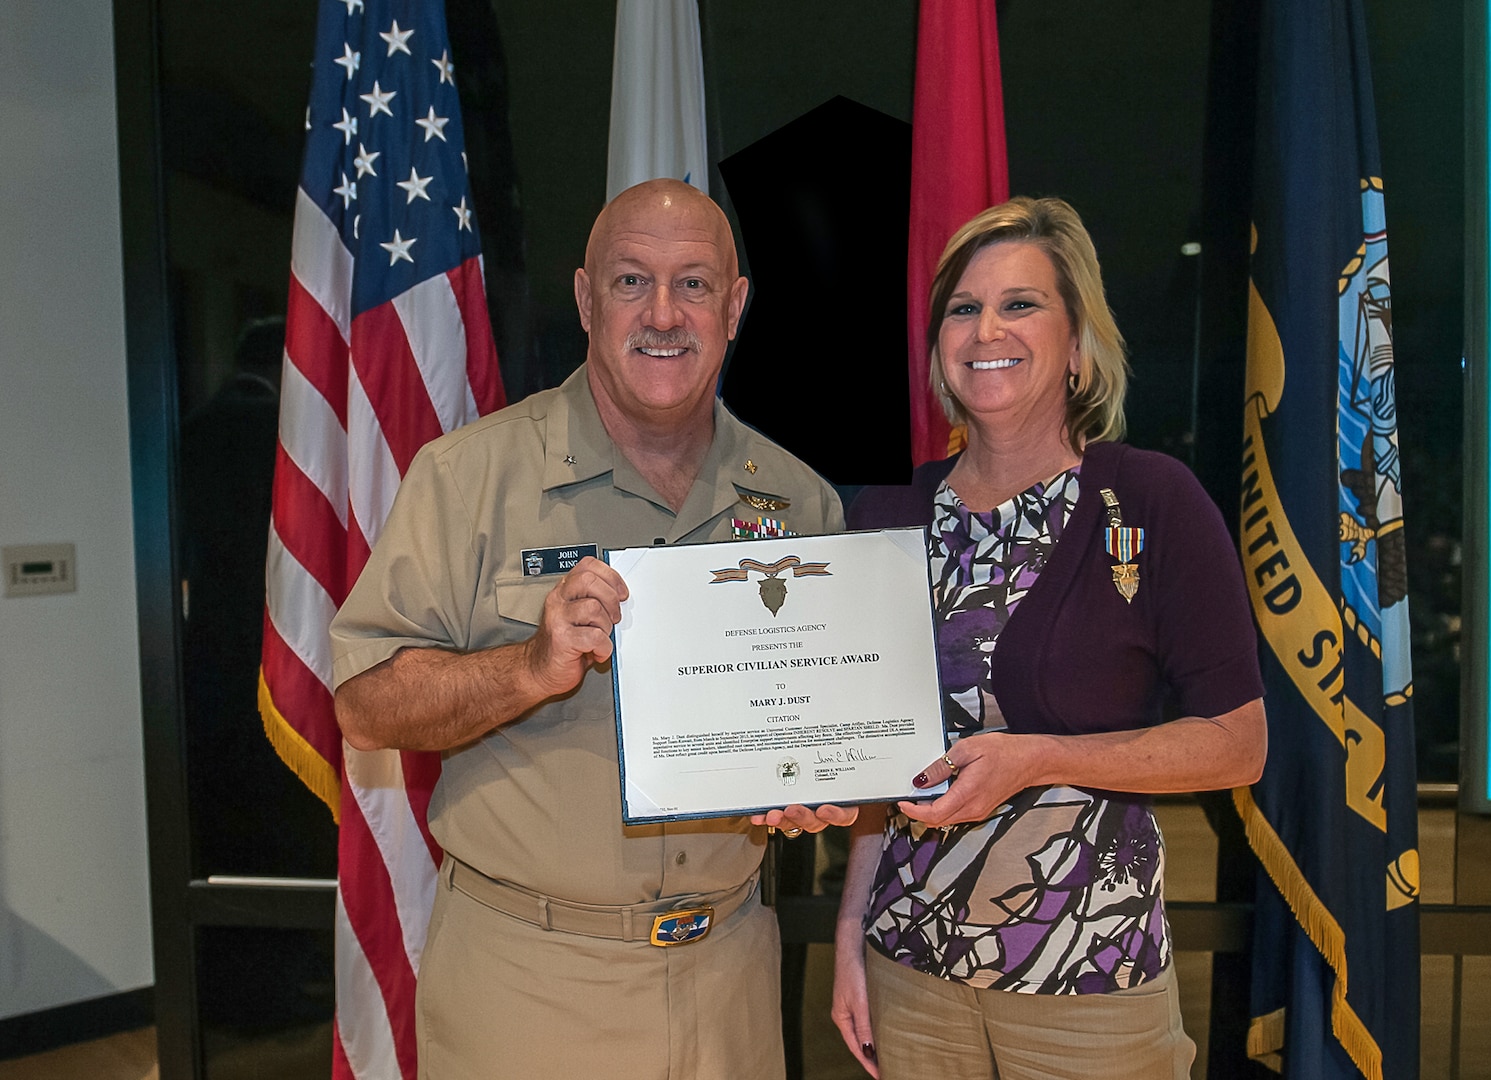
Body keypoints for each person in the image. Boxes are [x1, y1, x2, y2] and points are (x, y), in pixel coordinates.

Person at [329, 179, 853, 1079]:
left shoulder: (799, 499)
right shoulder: (469, 477)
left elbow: (825, 727)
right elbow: (367, 709)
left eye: (694, 284)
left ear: (735, 307)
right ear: (583, 299)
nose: (663, 313)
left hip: (729, 979)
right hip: (530, 987)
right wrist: (527, 667)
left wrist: (827, 784)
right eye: (630, 282)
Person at [832, 196, 1267, 1080]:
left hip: (1090, 984)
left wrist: (1038, 759)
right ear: (939, 346)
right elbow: (878, 759)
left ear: (1077, 345)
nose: (987, 326)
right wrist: (848, 931)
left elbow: (1238, 744)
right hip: (909, 973)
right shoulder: (885, 515)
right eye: (964, 307)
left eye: (1020, 303)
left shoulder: (1150, 502)